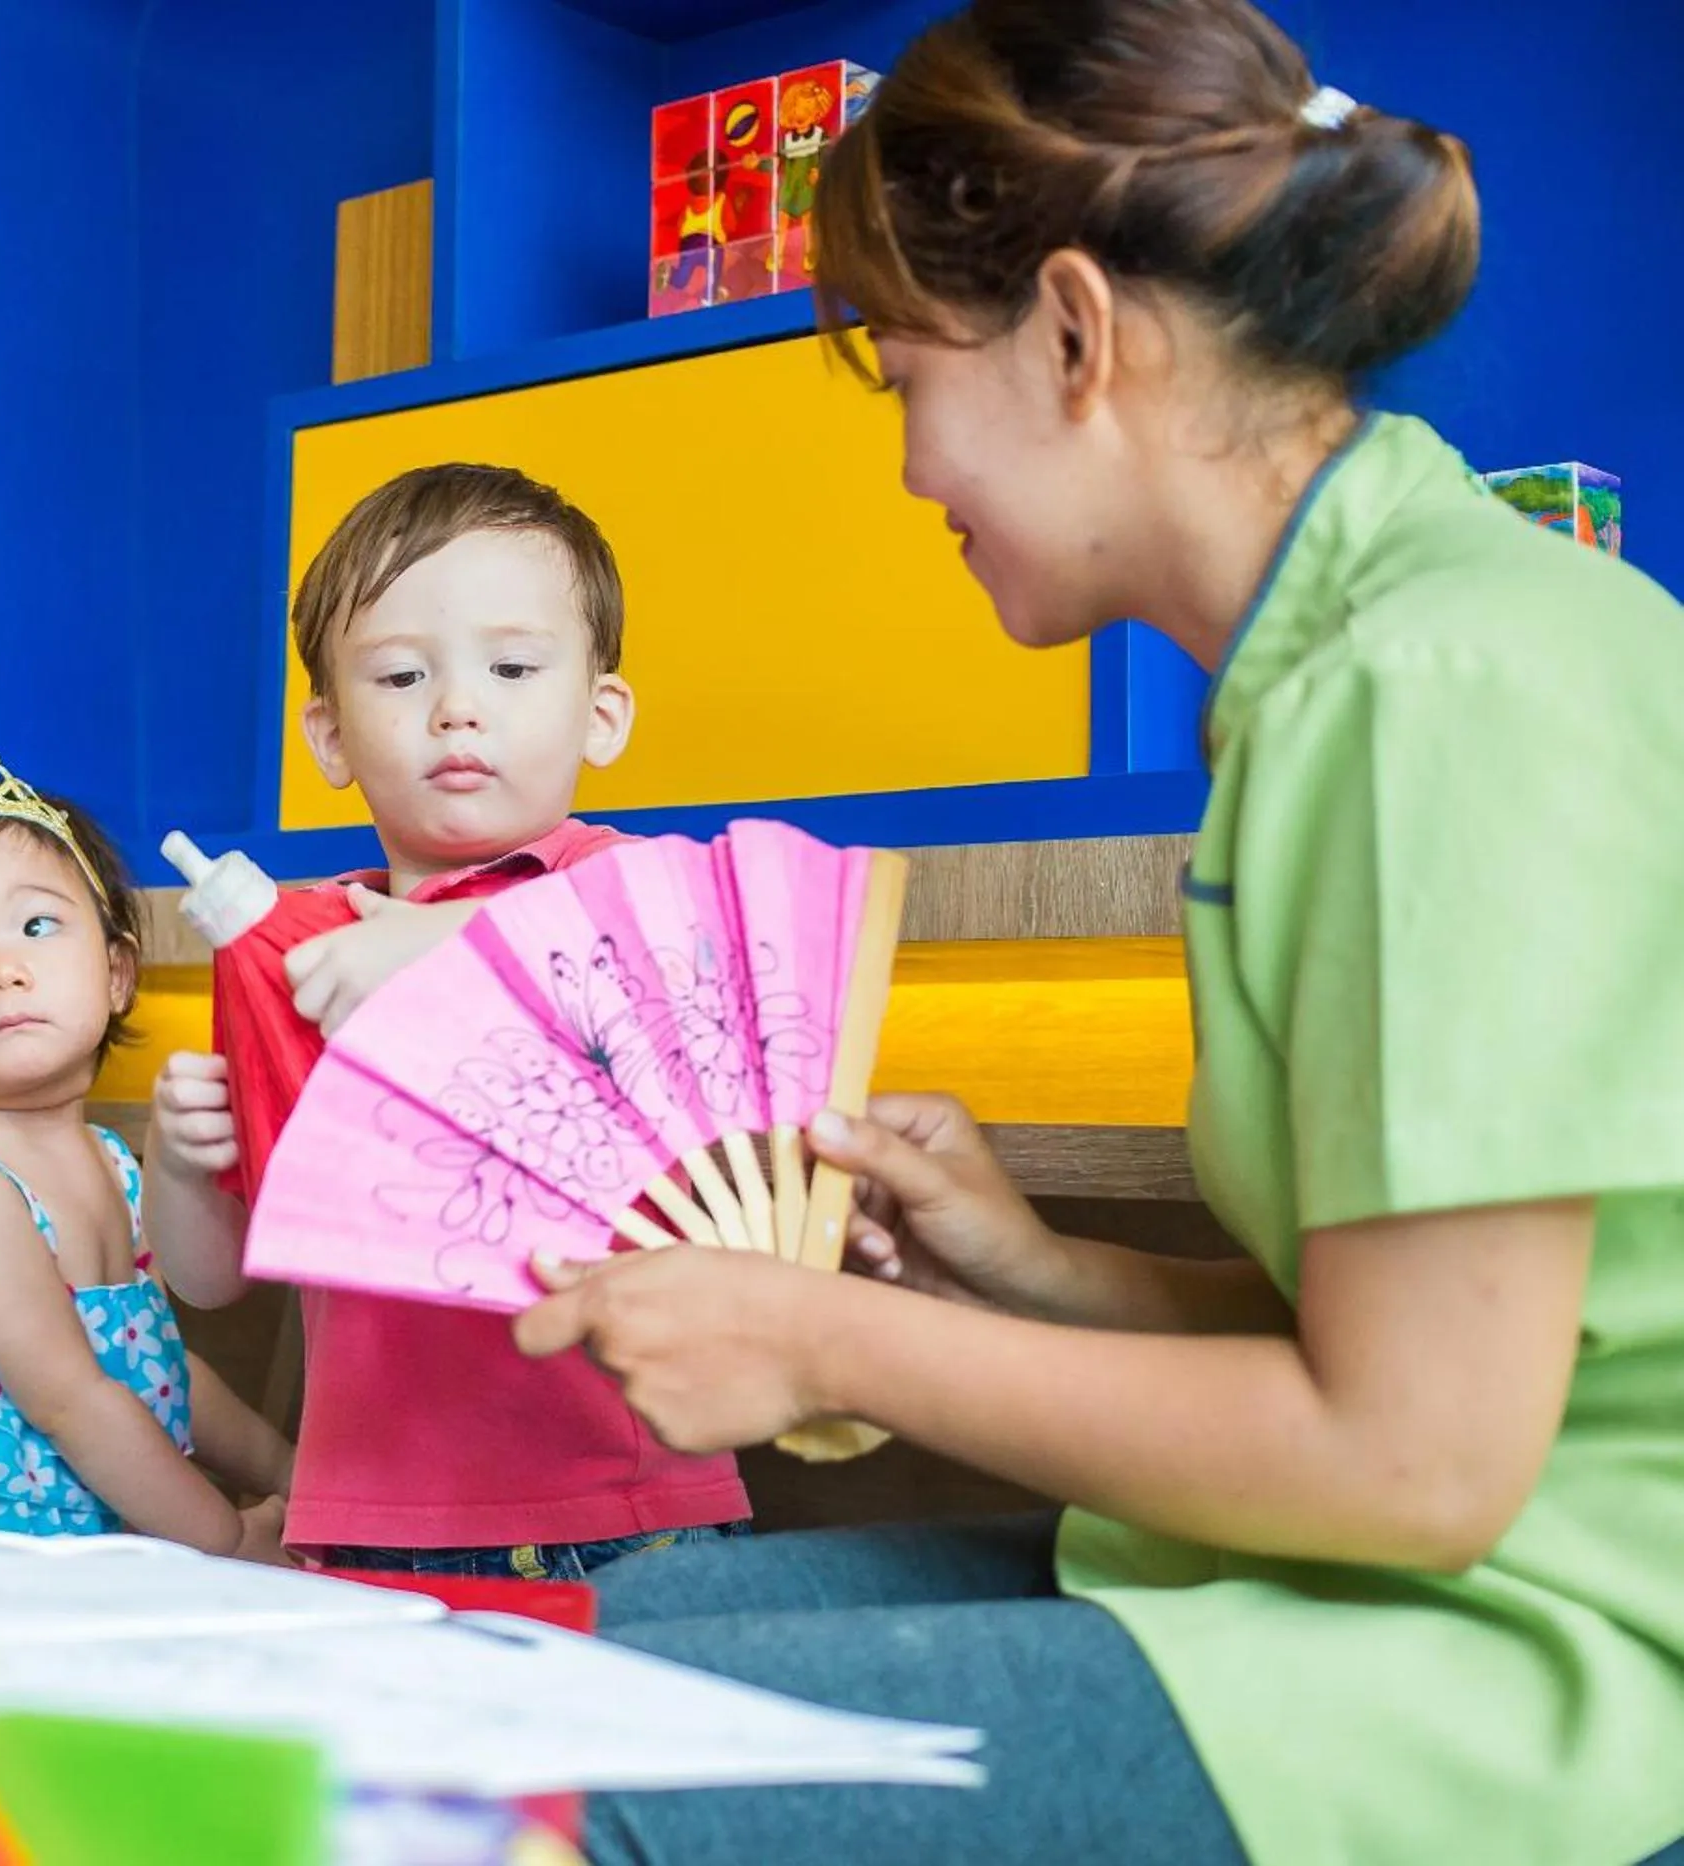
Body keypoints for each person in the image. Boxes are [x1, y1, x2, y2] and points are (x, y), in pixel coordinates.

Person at [509, 2, 1684, 1860]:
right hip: (1395, 1576)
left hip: (1546, 1668)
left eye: (900, 382)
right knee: (604, 1632)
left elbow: (1420, 1459)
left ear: (1071, 334)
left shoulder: (1441, 684)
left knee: (581, 1776)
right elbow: (1400, 1331)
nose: (906, 472)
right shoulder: (1355, 660)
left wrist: (823, 1348)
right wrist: (1027, 1261)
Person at [142, 463, 754, 1580]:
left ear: (601, 714)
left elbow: (676, 971)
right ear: (328, 738)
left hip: (614, 1511)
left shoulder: (627, 880)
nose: (457, 706)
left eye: (512, 666)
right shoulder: (301, 945)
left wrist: (436, 947)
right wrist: (182, 1168)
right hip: (368, 1514)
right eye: (403, 675)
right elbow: (219, 1276)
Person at [0, 744, 293, 1557]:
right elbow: (71, 1399)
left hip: (66, 1552)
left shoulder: (108, 1159)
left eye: (37, 926)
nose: (2, 969)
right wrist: (226, 1542)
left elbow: (156, 1373)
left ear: (116, 973)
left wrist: (295, 1474)